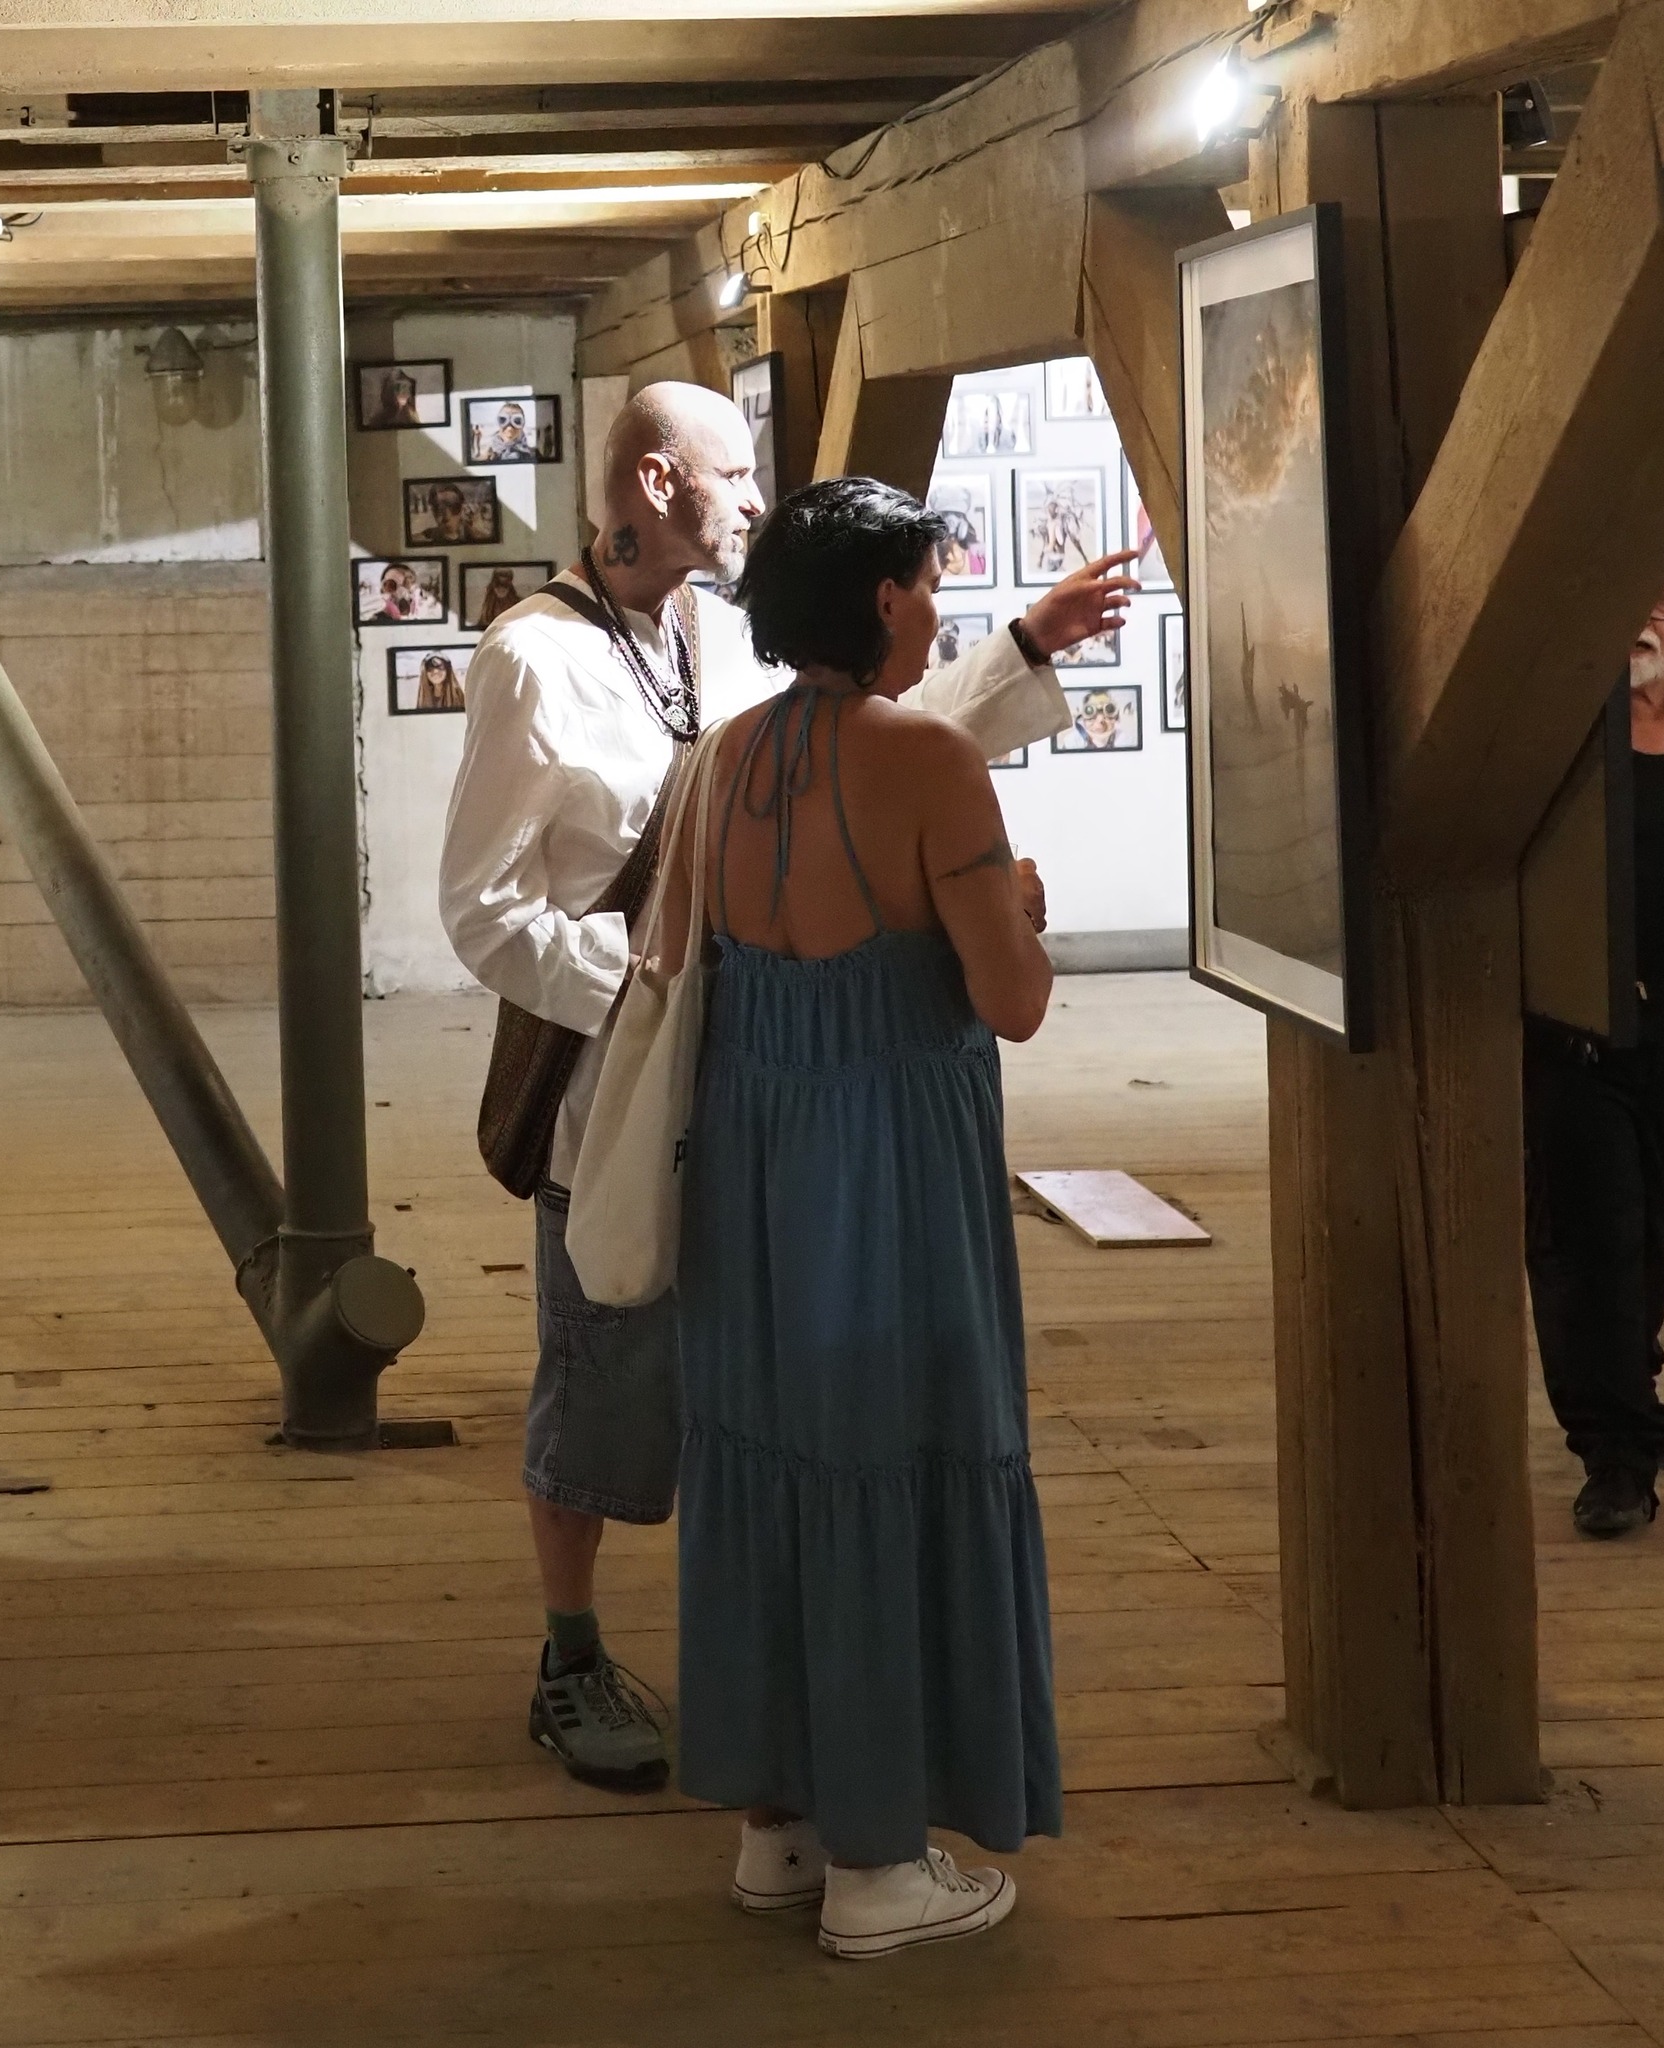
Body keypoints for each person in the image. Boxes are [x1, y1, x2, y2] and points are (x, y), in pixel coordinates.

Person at [439, 380, 1136, 1797]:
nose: (757, 497)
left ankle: (759, 1675)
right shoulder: (533, 660)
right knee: (602, 1362)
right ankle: (569, 1655)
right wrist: (656, 995)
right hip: (621, 1083)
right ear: (655, 483)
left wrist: (1019, 646)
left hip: (755, 1089)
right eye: (735, 472)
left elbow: (858, 743)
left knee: (753, 1384)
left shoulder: (712, 634)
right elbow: (483, 907)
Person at [673, 477, 1060, 1958]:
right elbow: (1009, 1002)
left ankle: (778, 1828)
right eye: (929, 585)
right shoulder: (927, 759)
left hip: (754, 1159)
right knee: (891, 1455)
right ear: (886, 599)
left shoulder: (725, 755)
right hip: (889, 1161)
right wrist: (1019, 907)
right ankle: (882, 1867)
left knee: (775, 1458)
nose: (939, 612)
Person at [1525, 534, 1664, 1537]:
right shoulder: (1562, 728)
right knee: (1589, 1239)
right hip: (1580, 1026)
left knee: (1655, 1233)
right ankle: (1616, 1457)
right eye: (1632, 597)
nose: (1648, 620)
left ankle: (1633, 1397)